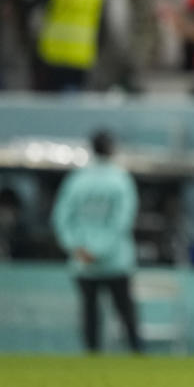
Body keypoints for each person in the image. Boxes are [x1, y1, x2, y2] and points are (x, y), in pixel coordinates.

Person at [51, 130, 142, 353]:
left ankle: (91, 355)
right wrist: (101, 250)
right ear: (112, 149)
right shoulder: (121, 180)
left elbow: (61, 217)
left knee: (89, 312)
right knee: (125, 311)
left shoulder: (77, 180)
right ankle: (137, 355)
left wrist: (77, 247)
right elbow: (123, 220)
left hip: (83, 260)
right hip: (115, 260)